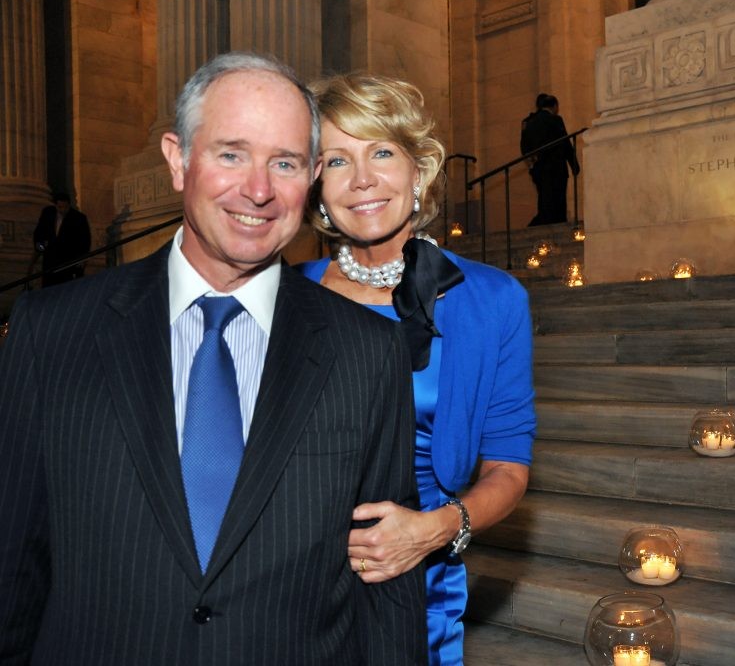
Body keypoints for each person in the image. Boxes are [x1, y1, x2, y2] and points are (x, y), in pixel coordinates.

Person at [0, 52, 426, 665]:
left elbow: (387, 584)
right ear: (178, 159)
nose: (259, 189)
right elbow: (13, 559)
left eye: (285, 162)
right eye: (231, 154)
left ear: (310, 178)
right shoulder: (52, 332)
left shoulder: (369, 351)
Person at [297, 72, 536, 666]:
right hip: (288, 578)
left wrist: (434, 530)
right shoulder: (281, 299)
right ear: (316, 186)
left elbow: (508, 465)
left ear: (418, 170)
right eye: (337, 160)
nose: (362, 179)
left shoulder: (492, 299)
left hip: (421, 576)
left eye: (381, 152)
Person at [521, 93, 580, 226]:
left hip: (538, 168)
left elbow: (524, 147)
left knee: (544, 200)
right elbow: (565, 142)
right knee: (558, 201)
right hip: (556, 167)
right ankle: (554, 226)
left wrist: (531, 165)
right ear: (554, 106)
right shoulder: (555, 119)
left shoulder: (528, 122)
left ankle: (541, 226)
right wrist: (574, 165)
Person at [31, 192, 91, 286]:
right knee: (49, 287)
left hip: (68, 261)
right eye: (60, 207)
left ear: (69, 205)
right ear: (55, 205)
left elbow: (85, 241)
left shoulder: (79, 218)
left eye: (66, 207)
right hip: (50, 261)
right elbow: (39, 233)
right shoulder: (48, 213)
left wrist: (82, 258)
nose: (63, 210)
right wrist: (41, 248)